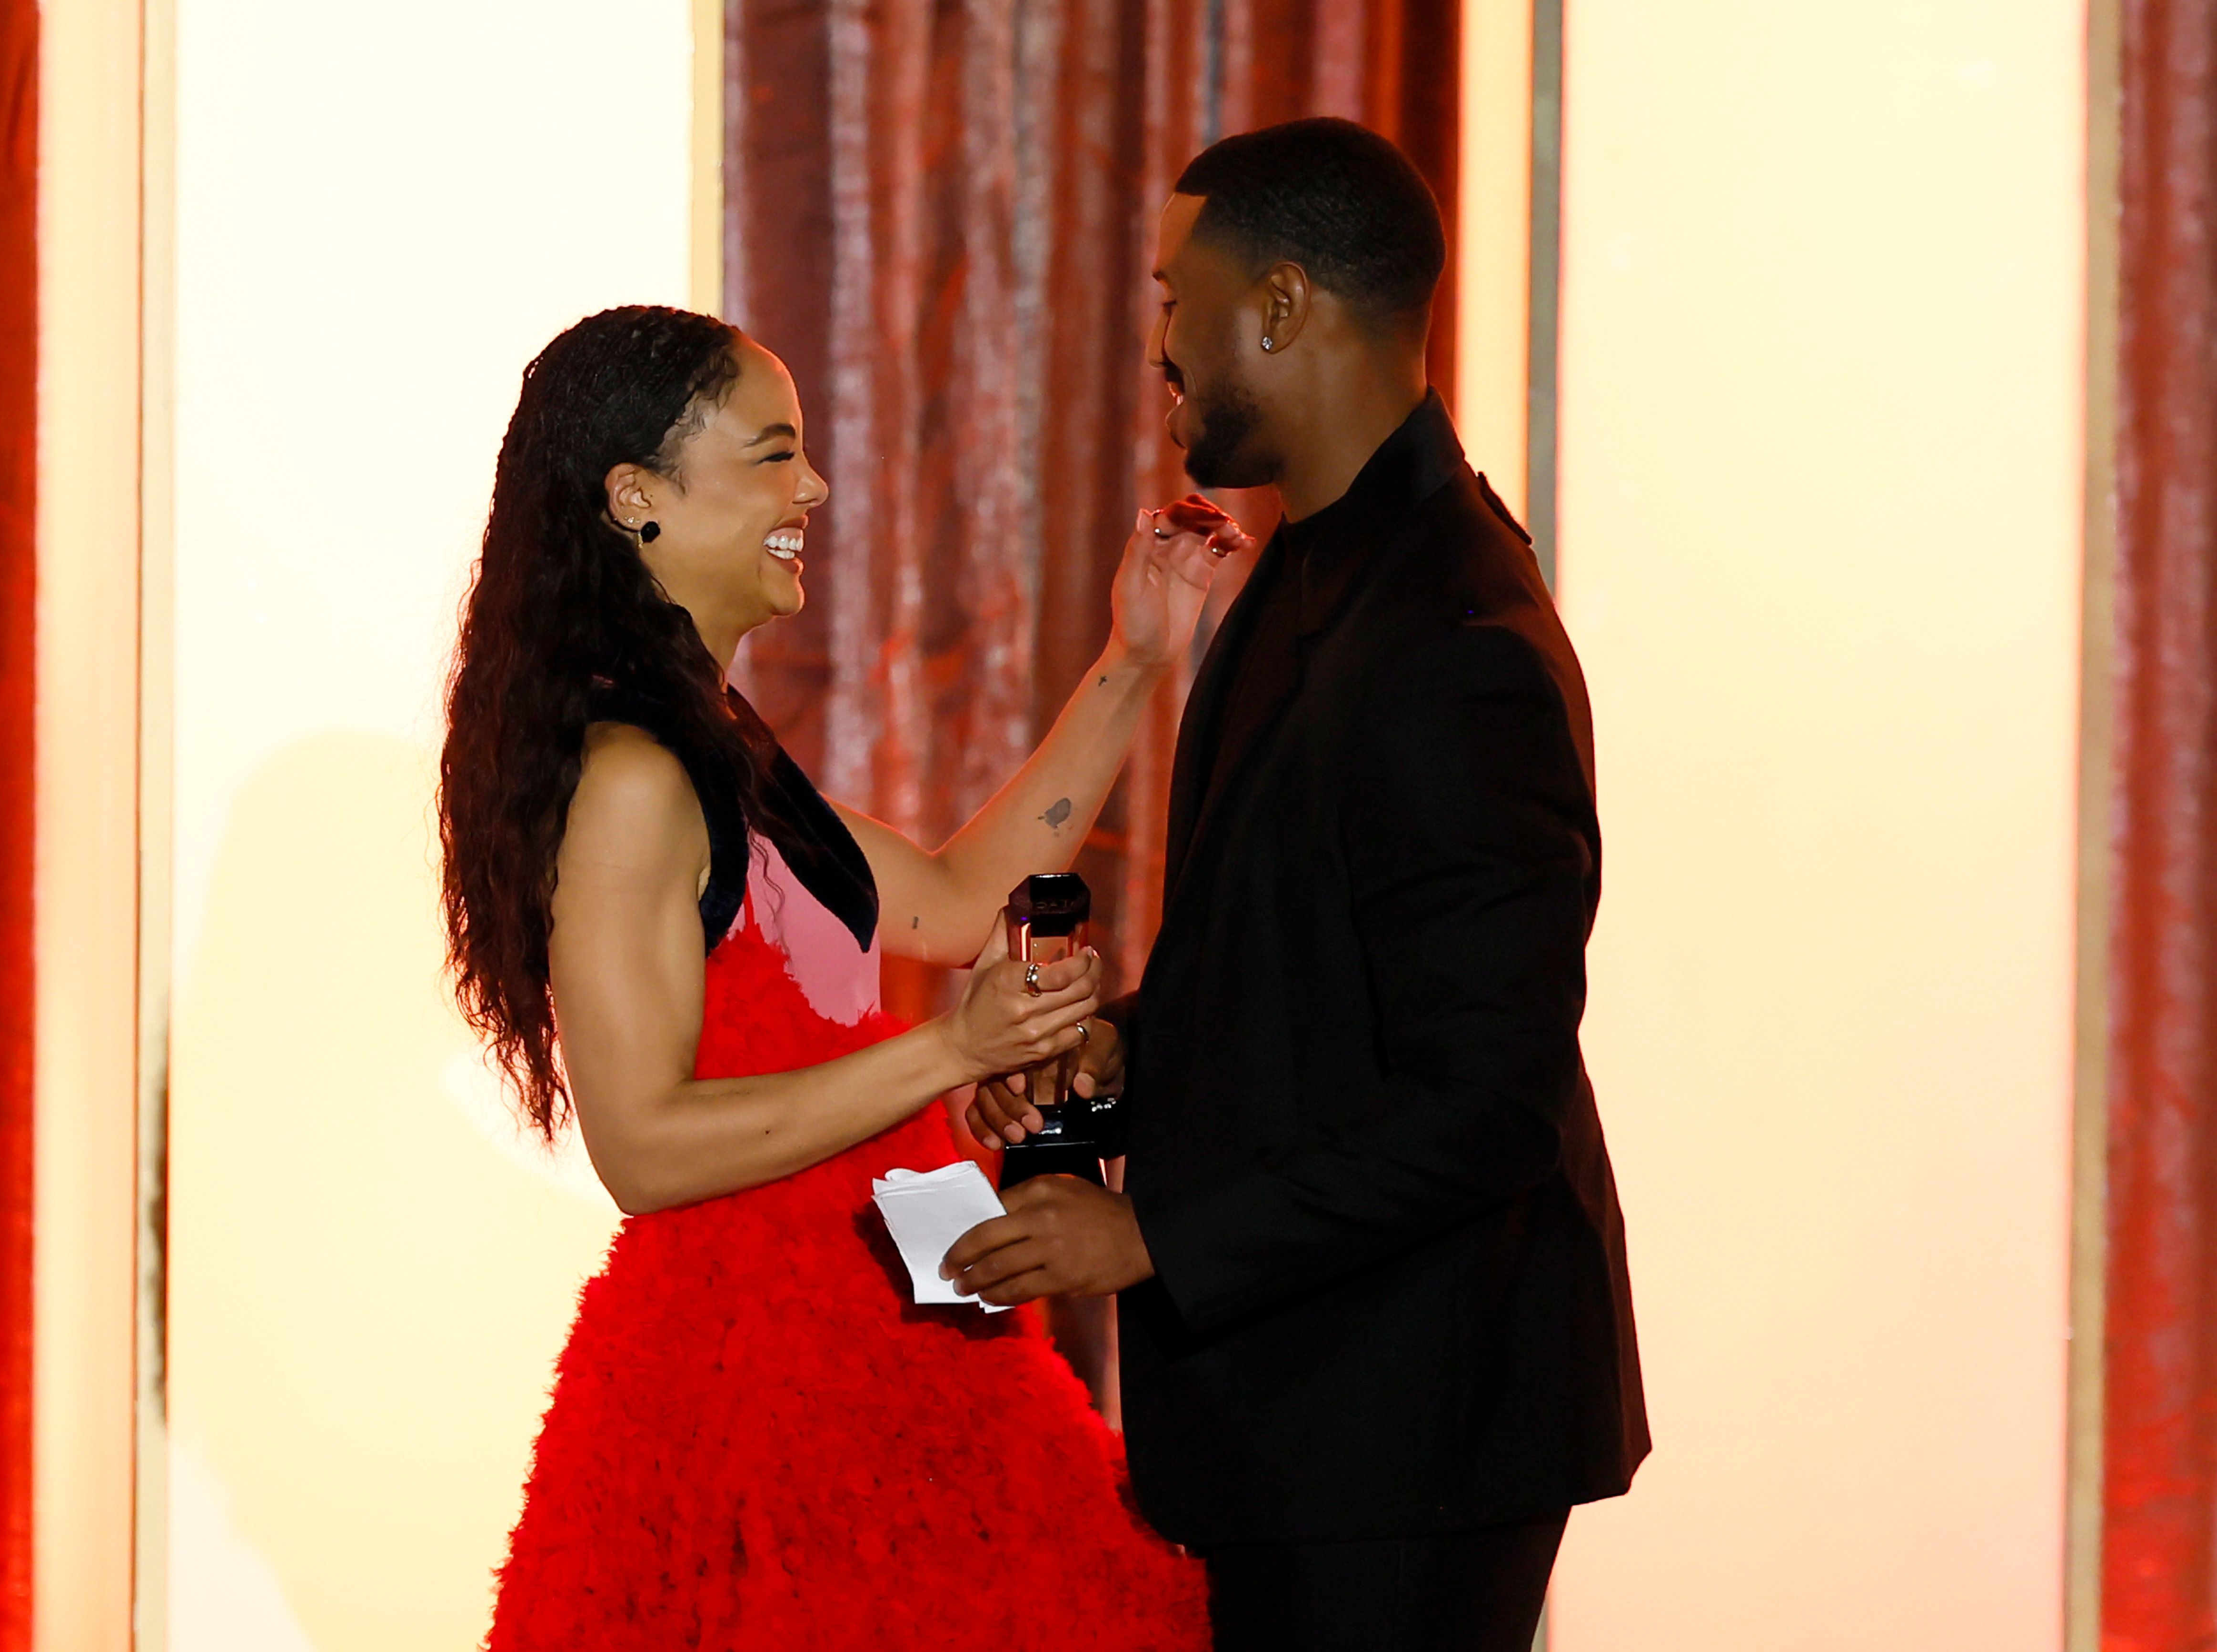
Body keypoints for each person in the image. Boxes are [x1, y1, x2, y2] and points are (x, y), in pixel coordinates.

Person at [441, 303, 1249, 1649]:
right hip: (756, 1401)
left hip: (874, 1348)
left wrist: (1135, 663)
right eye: (771, 456)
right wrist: (952, 1052)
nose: (811, 488)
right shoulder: (631, 777)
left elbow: (944, 901)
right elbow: (641, 1145)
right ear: (636, 498)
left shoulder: (713, 746)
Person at [946, 118, 1650, 1652]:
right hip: (1312, 1418)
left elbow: (1486, 1102)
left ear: (1276, 307)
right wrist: (1119, 1054)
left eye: (1171, 300)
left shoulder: (1457, 640)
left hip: (1408, 1437)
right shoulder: (1312, 566)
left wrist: (1146, 1241)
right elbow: (1302, 978)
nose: (1158, 346)